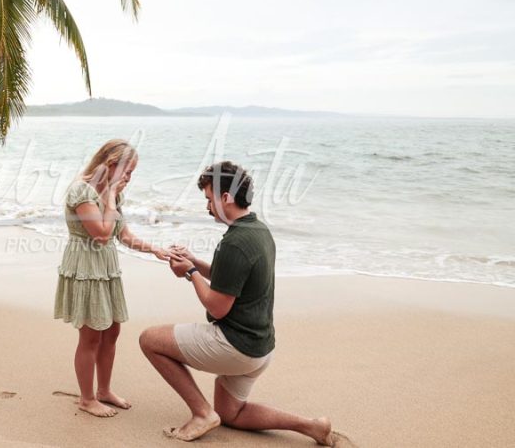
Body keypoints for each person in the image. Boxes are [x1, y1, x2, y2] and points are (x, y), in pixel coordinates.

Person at [139, 161, 334, 444]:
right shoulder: (259, 231)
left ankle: (201, 413)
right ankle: (312, 426)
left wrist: (190, 274)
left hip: (235, 346)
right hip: (261, 349)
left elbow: (217, 307)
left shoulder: (234, 242)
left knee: (149, 340)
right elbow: (230, 280)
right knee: (231, 413)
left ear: (226, 198)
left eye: (209, 199)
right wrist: (193, 262)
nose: (207, 207)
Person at [54, 139, 170, 417]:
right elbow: (103, 233)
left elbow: (123, 235)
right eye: (127, 171)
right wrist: (108, 196)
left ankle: (104, 390)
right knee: (91, 335)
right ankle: (87, 398)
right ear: (110, 164)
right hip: (86, 266)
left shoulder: (113, 194)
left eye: (132, 173)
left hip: (105, 267)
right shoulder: (81, 191)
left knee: (112, 330)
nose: (129, 178)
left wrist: (156, 250)